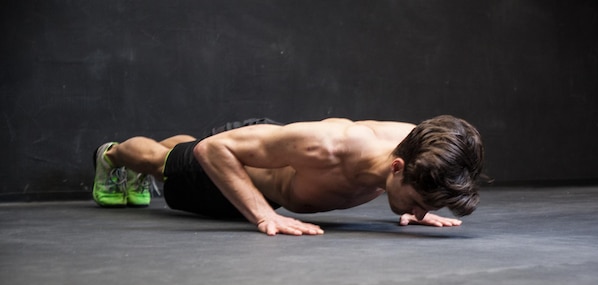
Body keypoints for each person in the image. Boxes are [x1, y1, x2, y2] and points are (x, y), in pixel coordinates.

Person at [92, 115, 485, 236]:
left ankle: (163, 153)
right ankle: (110, 156)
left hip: (280, 162)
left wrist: (416, 202)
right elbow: (212, 150)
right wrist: (265, 215)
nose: (417, 215)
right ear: (396, 168)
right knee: (164, 163)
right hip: (244, 178)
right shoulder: (329, 145)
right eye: (417, 203)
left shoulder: (415, 148)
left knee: (184, 149)